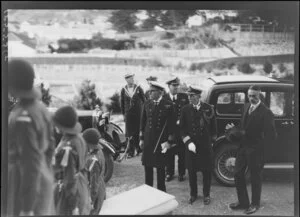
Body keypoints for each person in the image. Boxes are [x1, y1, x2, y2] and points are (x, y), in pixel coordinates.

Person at [7, 59, 56, 216]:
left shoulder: (23, 116)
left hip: (25, 187)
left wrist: (27, 207)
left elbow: (29, 162)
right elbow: (50, 147)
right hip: (42, 179)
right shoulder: (40, 108)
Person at [227, 85, 277, 215]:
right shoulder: (246, 107)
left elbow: (272, 136)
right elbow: (243, 127)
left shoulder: (266, 112)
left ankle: (255, 204)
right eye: (249, 95)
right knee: (237, 174)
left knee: (255, 178)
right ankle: (243, 202)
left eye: (254, 96)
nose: (251, 98)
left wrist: (263, 153)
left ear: (259, 95)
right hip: (243, 148)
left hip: (256, 151)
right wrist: (234, 129)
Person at [180, 86, 217, 205]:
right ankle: (193, 194)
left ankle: (206, 195)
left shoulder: (208, 108)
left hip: (205, 146)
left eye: (192, 95)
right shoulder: (185, 109)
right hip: (191, 146)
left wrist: (211, 142)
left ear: (198, 96)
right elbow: (182, 130)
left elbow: (214, 128)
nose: (190, 98)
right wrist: (188, 142)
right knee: (192, 171)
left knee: (207, 172)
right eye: (189, 96)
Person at [52, 106, 92, 215]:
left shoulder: (67, 147)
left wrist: (73, 206)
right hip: (80, 185)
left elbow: (69, 179)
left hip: (68, 193)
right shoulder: (78, 138)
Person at [139, 81, 174, 192]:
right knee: (148, 169)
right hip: (149, 141)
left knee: (160, 170)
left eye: (152, 91)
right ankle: (148, 192)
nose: (149, 93)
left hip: (161, 142)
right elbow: (142, 122)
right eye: (149, 91)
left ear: (159, 92)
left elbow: (172, 127)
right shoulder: (147, 103)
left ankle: (161, 193)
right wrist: (141, 139)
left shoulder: (168, 105)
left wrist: (169, 141)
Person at [163, 77, 189, 182]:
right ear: (169, 86)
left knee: (181, 153)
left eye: (177, 85)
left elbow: (187, 113)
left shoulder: (184, 97)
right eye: (174, 86)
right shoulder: (164, 98)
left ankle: (181, 173)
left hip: (180, 131)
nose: (176, 88)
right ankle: (169, 173)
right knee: (168, 153)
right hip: (168, 132)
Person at [120, 72, 145, 158]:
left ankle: (139, 149)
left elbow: (144, 100)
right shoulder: (123, 89)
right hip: (128, 114)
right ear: (126, 80)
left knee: (138, 131)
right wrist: (123, 114)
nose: (132, 80)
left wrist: (145, 112)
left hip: (138, 113)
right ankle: (130, 152)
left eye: (132, 78)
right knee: (129, 133)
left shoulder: (138, 88)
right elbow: (122, 102)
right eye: (130, 78)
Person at [82, 128, 106, 215]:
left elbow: (94, 185)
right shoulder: (99, 152)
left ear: (88, 144)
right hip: (101, 189)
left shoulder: (93, 161)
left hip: (95, 196)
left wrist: (90, 201)